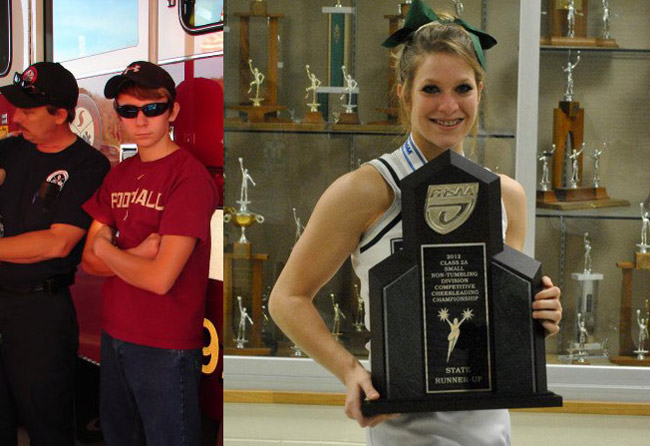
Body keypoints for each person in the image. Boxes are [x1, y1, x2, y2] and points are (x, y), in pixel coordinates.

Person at [269, 1, 562, 444]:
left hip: (489, 423)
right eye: (431, 89)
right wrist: (351, 372)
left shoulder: (507, 197)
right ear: (404, 93)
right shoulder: (367, 189)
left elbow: (500, 318)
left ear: (480, 90)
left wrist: (541, 312)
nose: (449, 106)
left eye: (462, 88)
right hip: (404, 425)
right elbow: (287, 298)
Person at [81, 61, 217, 446]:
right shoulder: (119, 174)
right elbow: (88, 260)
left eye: (152, 108)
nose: (140, 120)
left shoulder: (188, 177)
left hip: (165, 345)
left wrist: (106, 248)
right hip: (115, 334)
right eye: (128, 110)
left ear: (173, 111)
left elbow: (160, 279)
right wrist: (134, 251)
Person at [0, 62, 110, 445]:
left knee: (47, 421)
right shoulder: (11, 151)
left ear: (61, 115)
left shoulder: (87, 165)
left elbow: (56, 243)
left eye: (27, 111)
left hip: (41, 313)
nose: (16, 119)